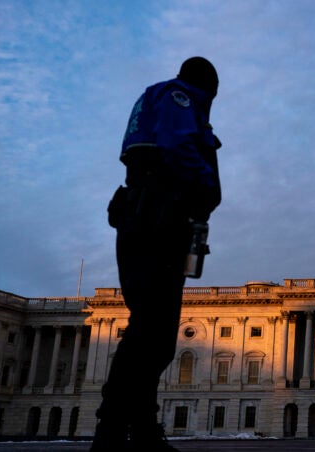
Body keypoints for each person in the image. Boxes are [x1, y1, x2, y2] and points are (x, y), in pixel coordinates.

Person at [92, 57, 222, 451]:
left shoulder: (154, 96)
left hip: (145, 210)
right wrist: (206, 189)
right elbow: (178, 145)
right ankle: (114, 428)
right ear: (207, 86)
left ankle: (140, 427)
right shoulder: (179, 98)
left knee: (155, 332)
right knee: (152, 329)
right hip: (159, 213)